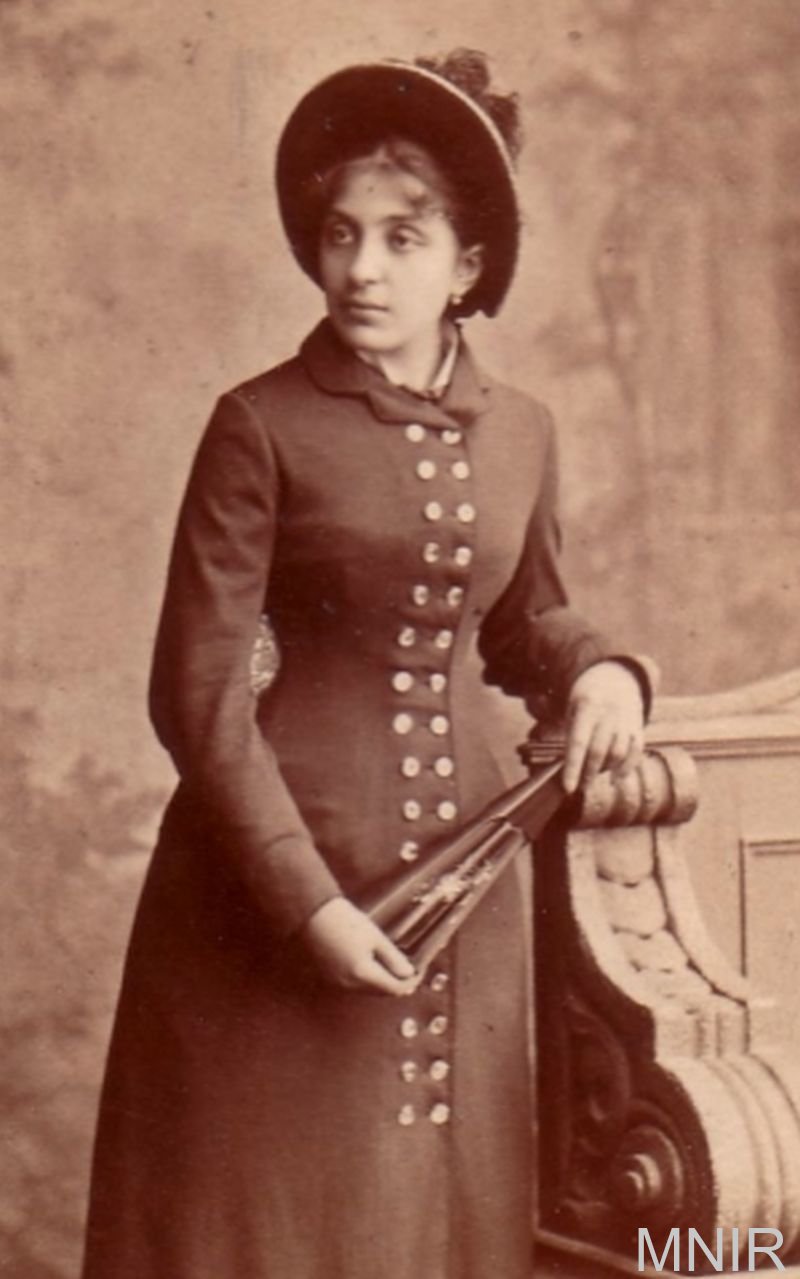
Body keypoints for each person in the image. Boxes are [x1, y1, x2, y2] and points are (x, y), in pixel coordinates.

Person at [81, 49, 652, 1279]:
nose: (362, 268)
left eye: (403, 238)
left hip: (462, 893)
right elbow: (197, 695)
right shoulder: (259, 424)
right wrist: (310, 905)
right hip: (276, 887)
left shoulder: (522, 430)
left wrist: (600, 671)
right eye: (342, 234)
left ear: (468, 265)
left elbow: (523, 621)